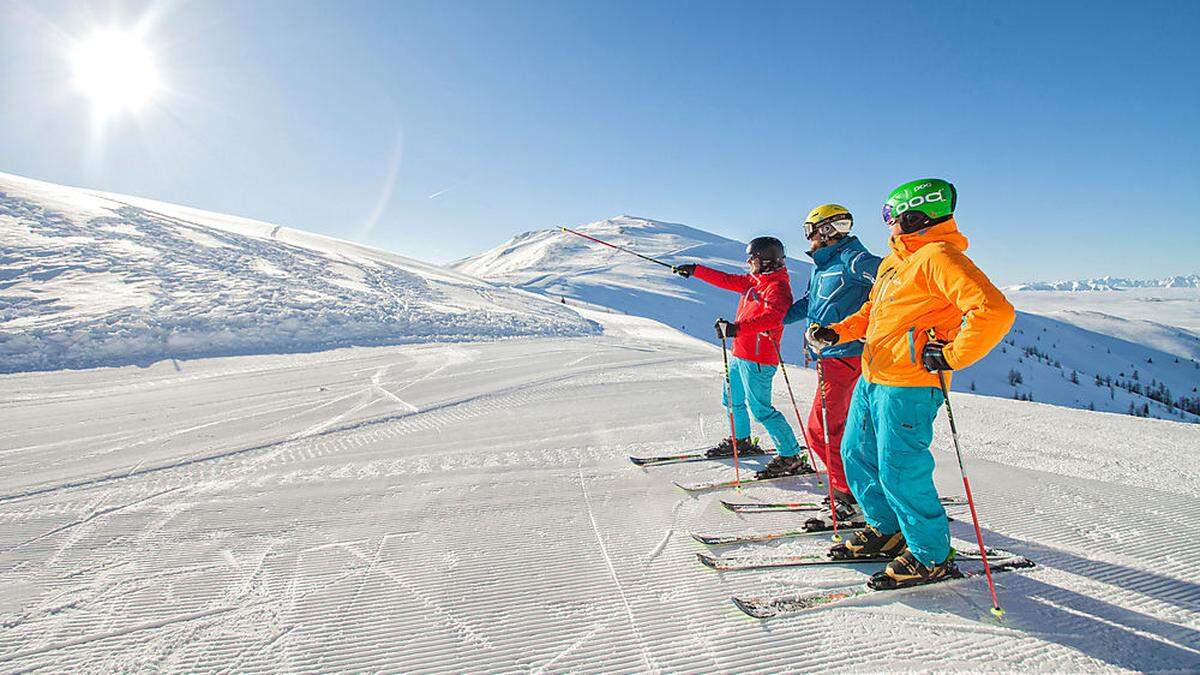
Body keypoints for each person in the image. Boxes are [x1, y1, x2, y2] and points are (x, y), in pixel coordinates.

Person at [807, 179, 1015, 589]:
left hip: (911, 383)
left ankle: (930, 555)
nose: (888, 224)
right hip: (874, 374)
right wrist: (838, 331)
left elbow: (995, 310)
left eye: (891, 215)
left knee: (900, 468)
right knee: (855, 454)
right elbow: (874, 311)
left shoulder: (938, 257)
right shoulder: (896, 261)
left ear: (915, 214)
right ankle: (886, 530)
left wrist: (952, 355)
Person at [777, 205, 881, 522]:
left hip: (847, 357)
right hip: (830, 358)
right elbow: (812, 301)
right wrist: (779, 318)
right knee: (840, 429)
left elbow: (891, 280)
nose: (807, 237)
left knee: (820, 429)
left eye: (809, 229)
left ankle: (847, 494)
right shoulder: (823, 265)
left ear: (825, 230)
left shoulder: (854, 259)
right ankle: (860, 487)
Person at [674, 237, 807, 465]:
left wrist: (736, 329)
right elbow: (725, 280)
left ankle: (790, 455)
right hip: (740, 354)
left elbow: (774, 318)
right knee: (732, 400)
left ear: (765, 261)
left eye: (752, 257)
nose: (748, 261)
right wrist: (696, 270)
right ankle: (741, 441)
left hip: (759, 359)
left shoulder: (777, 287)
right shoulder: (753, 281)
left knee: (761, 409)